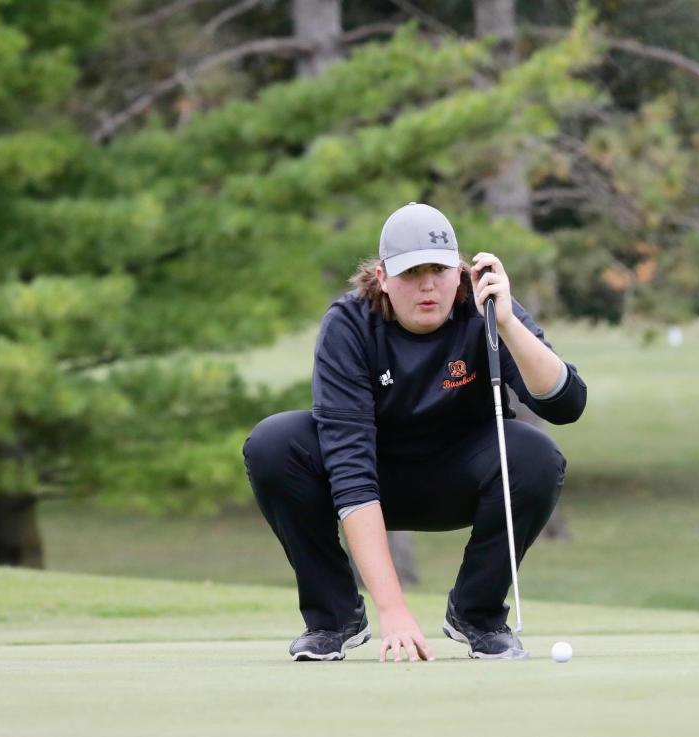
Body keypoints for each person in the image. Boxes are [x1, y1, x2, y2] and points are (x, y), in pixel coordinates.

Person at [242, 202, 587, 662]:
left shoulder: (485, 312)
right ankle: (334, 618)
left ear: (461, 271)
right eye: (411, 273)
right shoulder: (349, 326)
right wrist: (393, 607)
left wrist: (506, 324)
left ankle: (477, 615)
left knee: (536, 454)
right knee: (273, 443)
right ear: (383, 277)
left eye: (440, 270)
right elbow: (349, 470)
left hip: (459, 477)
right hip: (375, 478)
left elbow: (566, 405)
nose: (428, 285)